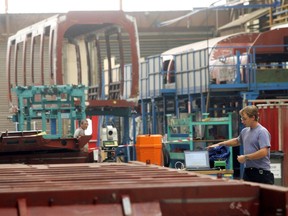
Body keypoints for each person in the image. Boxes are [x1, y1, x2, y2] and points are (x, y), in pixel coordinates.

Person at [206, 105, 274, 185]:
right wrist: (219, 144)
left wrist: (245, 157)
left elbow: (264, 152)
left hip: (261, 174)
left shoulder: (262, 132)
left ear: (253, 117)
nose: (242, 121)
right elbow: (236, 141)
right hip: (248, 172)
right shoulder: (245, 131)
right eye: (242, 118)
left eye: (244, 118)